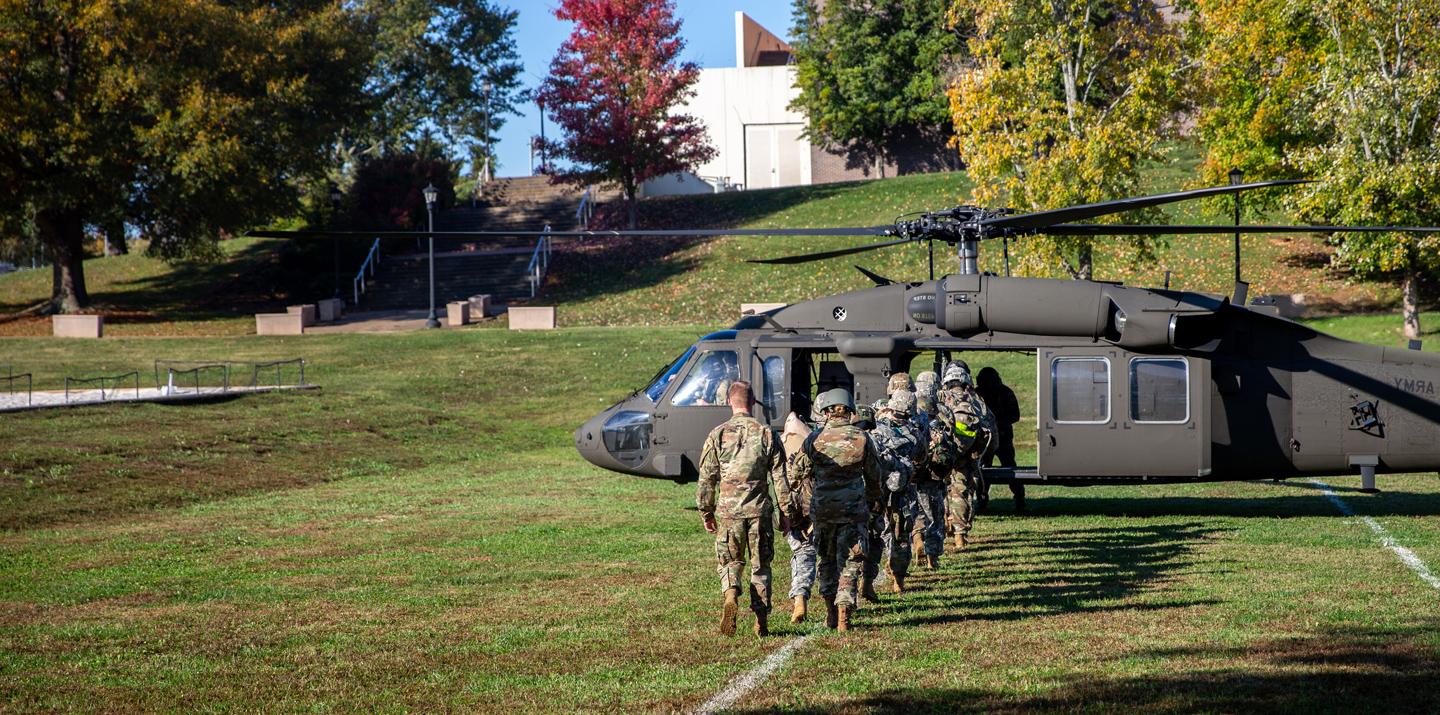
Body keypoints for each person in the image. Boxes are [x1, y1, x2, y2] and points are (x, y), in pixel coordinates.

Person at [696, 381, 796, 637]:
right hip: (760, 512)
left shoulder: (716, 434)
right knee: (761, 566)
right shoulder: (766, 433)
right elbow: (780, 478)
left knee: (730, 562)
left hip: (729, 513)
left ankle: (731, 596)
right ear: (752, 403)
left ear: (730, 401)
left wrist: (706, 512)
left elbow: (707, 479)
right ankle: (761, 621)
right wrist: (785, 512)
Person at [789, 388, 883, 631]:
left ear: (827, 411)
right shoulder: (862, 438)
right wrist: (874, 502)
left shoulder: (814, 440)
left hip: (822, 510)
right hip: (853, 509)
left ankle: (830, 612)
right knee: (852, 560)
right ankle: (844, 610)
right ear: (850, 410)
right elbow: (874, 476)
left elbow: (798, 473)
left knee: (828, 560)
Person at [864, 389, 923, 595]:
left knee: (872, 534)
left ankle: (867, 581)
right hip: (902, 492)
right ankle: (898, 579)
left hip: (876, 489)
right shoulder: (914, 432)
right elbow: (921, 456)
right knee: (901, 535)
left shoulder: (875, 430)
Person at [939, 361, 993, 549]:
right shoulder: (976, 402)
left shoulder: (940, 399)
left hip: (943, 455)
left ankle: (944, 526)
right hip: (967, 458)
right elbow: (989, 429)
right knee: (961, 493)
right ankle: (960, 536)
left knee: (942, 492)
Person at [914, 398, 961, 568]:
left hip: (913, 480)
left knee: (917, 515)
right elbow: (950, 456)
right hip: (933, 481)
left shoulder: (912, 427)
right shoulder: (938, 429)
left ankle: (917, 538)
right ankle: (932, 559)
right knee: (934, 519)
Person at [780, 411, 816, 623]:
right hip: (816, 506)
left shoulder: (781, 445)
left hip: (793, 508)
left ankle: (800, 598)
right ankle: (839, 606)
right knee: (831, 558)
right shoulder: (814, 443)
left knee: (802, 553)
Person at [976, 366, 1025, 511]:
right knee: (984, 471)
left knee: (1010, 469)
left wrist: (998, 424)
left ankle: (1019, 499)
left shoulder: (1005, 392)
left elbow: (1014, 415)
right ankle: (982, 499)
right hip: (986, 440)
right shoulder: (978, 394)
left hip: (1002, 438)